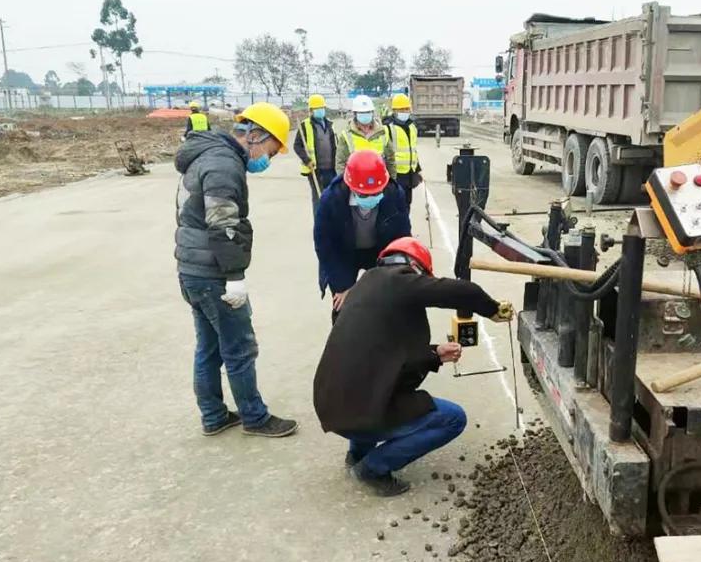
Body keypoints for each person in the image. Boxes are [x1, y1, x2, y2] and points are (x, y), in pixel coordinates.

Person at [313, 237, 514, 496]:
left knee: (365, 381)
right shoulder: (400, 281)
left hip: (330, 405)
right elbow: (462, 291)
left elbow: (384, 352)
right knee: (452, 418)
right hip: (358, 411)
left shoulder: (364, 286)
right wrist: (493, 310)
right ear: (415, 268)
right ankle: (372, 468)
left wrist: (435, 354)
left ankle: (357, 453)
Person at [175, 101, 299, 438]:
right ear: (255, 135)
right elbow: (223, 224)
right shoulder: (222, 164)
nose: (267, 160)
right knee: (240, 348)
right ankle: (255, 418)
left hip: (192, 269)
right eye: (270, 152)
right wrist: (234, 278)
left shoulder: (207, 155)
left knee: (210, 347)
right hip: (212, 274)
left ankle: (214, 416)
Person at [314, 149, 411, 318]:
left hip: (379, 251)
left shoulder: (394, 194)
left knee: (386, 303)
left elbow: (402, 238)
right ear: (350, 186)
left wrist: (397, 274)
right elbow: (325, 246)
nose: (371, 198)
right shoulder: (331, 199)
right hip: (343, 254)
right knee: (344, 306)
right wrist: (342, 287)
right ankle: (343, 342)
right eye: (365, 194)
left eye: (376, 193)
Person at [293, 93, 337, 213]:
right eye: (317, 109)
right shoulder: (305, 126)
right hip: (315, 169)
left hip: (331, 169)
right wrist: (307, 160)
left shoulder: (329, 124)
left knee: (332, 198)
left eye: (322, 108)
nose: (320, 111)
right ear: (311, 111)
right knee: (318, 199)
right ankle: (319, 224)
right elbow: (297, 146)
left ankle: (330, 224)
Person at [334, 95, 396, 178]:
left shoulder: (383, 132)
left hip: (380, 181)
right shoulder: (346, 135)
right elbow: (340, 163)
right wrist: (342, 183)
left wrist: (392, 181)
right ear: (355, 114)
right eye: (362, 113)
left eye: (368, 112)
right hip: (356, 183)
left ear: (372, 113)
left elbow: (390, 160)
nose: (365, 115)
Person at [383, 93, 422, 209]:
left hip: (409, 173)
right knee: (394, 205)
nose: (405, 111)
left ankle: (404, 227)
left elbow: (413, 149)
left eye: (407, 108)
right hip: (395, 175)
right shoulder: (387, 128)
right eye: (402, 109)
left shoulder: (412, 126)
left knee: (406, 204)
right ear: (394, 111)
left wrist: (417, 169)